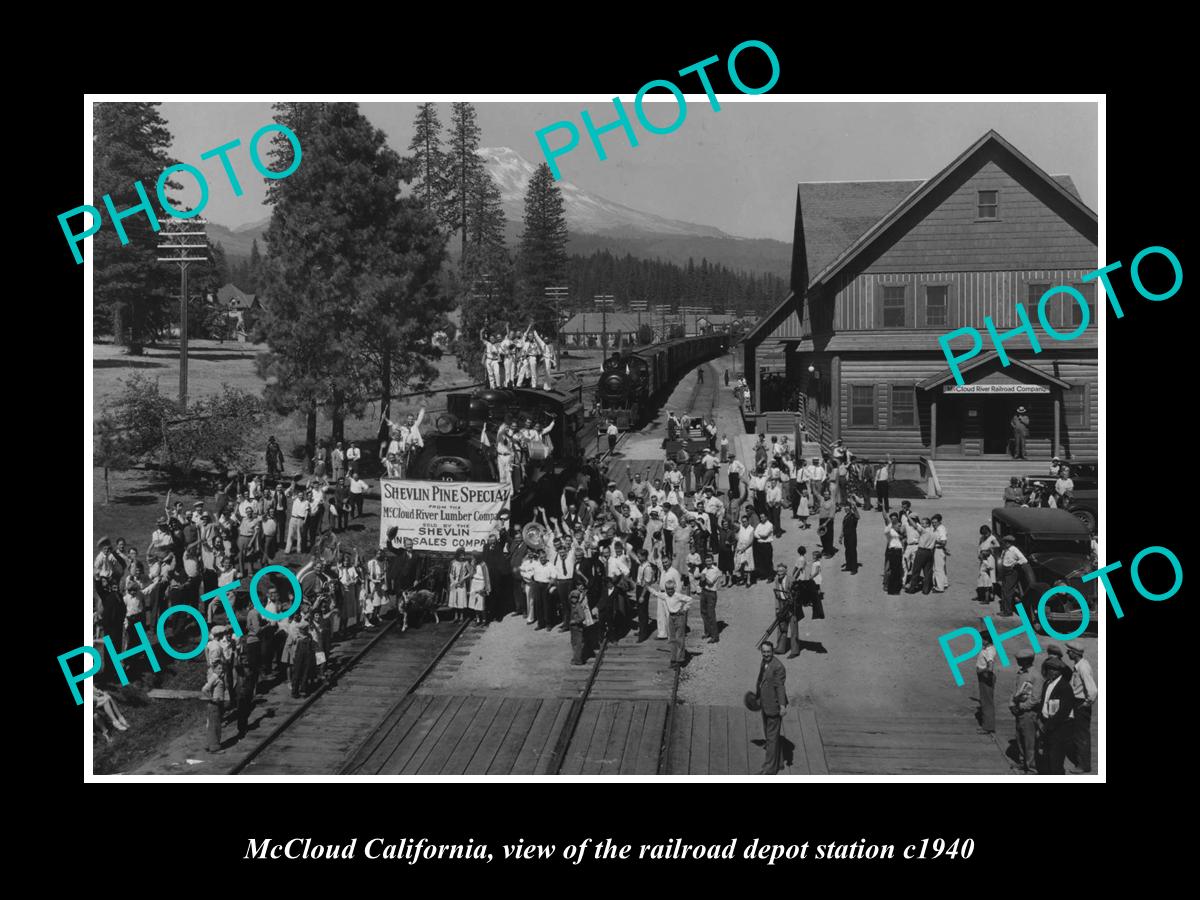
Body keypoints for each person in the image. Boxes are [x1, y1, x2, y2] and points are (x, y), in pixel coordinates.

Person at [1037, 655, 1077, 774]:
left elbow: (1063, 712)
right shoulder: (1047, 683)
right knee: (1046, 759)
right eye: (1049, 669)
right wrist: (1040, 719)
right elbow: (1044, 702)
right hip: (1046, 724)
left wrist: (1047, 726)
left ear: (1059, 672)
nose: (1050, 671)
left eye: (1053, 669)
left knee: (1056, 762)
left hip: (1059, 729)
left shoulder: (1065, 687)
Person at [756, 641, 788, 775]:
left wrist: (782, 706)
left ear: (773, 651)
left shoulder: (778, 667)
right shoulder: (764, 662)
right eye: (764, 652)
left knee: (771, 738)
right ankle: (779, 762)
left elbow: (780, 687)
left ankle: (769, 770)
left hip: (774, 707)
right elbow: (761, 680)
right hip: (765, 704)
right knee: (772, 737)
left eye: (768, 652)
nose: (766, 654)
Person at [1065, 641, 1097, 774]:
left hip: (1081, 704)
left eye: (1069, 651)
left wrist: (1086, 703)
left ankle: (1083, 765)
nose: (1067, 653)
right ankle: (1081, 762)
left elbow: (1093, 690)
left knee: (1081, 735)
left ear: (1074, 653)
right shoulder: (1078, 665)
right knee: (1077, 734)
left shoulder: (1083, 668)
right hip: (1077, 702)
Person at [1009, 648, 1041, 774]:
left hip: (1029, 712)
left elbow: (1035, 698)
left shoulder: (1036, 676)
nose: (1017, 662)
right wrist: (1011, 704)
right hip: (1019, 711)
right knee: (1020, 738)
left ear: (1026, 661)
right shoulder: (1020, 673)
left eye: (1019, 660)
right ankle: (1023, 763)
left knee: (1030, 741)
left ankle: (1032, 767)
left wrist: (1021, 707)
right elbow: (1015, 690)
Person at [202, 625, 234, 752]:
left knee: (211, 721)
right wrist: (220, 666)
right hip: (215, 696)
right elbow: (215, 661)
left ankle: (209, 742)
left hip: (212, 674)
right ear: (220, 635)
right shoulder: (216, 647)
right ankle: (214, 746)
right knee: (215, 722)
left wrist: (209, 664)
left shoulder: (210, 644)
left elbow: (206, 652)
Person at [647, 581, 692, 667]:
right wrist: (647, 587)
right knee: (672, 638)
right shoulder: (665, 595)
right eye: (668, 589)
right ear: (666, 589)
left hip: (679, 617)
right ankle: (673, 658)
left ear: (674, 588)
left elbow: (690, 599)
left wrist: (684, 609)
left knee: (679, 638)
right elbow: (656, 593)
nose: (670, 591)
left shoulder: (678, 596)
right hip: (671, 617)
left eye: (671, 589)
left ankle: (680, 659)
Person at [997, 535, 1029, 617]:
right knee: (1004, 590)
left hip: (1012, 572)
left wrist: (1015, 564)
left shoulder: (1014, 550)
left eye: (1005, 542)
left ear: (1009, 543)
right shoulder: (1005, 550)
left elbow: (1024, 560)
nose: (1004, 544)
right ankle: (1004, 609)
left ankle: (1008, 611)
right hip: (1005, 571)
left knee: (1008, 591)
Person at [976, 630, 997, 734]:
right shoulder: (988, 648)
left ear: (986, 640)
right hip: (984, 677)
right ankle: (986, 724)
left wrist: (981, 670)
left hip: (986, 677)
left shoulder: (989, 651)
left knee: (987, 702)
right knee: (985, 700)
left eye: (982, 639)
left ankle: (988, 727)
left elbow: (990, 666)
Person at [698, 555, 722, 643]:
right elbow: (701, 582)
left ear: (712, 561)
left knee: (711, 614)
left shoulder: (715, 570)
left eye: (709, 561)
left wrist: (703, 577)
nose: (708, 563)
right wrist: (702, 577)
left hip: (711, 593)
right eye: (706, 561)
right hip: (704, 592)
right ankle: (707, 631)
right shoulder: (705, 569)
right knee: (703, 612)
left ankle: (715, 636)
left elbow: (710, 582)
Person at [448, 547, 472, 624]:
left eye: (463, 555)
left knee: (461, 600)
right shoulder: (453, 562)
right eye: (461, 555)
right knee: (454, 599)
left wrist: (464, 578)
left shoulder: (466, 563)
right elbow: (451, 573)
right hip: (454, 583)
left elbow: (470, 573)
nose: (462, 557)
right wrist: (453, 582)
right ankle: (455, 617)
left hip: (462, 584)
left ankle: (461, 617)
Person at [882, 513, 904, 595]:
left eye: (895, 519)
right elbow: (886, 530)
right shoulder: (889, 530)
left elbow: (902, 537)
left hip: (899, 551)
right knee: (891, 569)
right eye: (892, 518)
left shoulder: (899, 530)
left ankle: (896, 588)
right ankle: (890, 588)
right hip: (893, 551)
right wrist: (891, 522)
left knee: (897, 570)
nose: (894, 520)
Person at [839, 501, 860, 573]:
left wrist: (855, 509)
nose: (846, 509)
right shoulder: (845, 517)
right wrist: (841, 536)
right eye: (845, 507)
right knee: (847, 551)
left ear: (850, 508)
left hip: (852, 536)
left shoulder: (853, 515)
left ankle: (854, 569)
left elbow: (858, 517)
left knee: (853, 551)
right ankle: (848, 566)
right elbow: (843, 527)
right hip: (846, 537)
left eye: (847, 507)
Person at [931, 513, 949, 592]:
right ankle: (944, 583)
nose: (934, 524)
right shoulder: (936, 528)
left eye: (935, 522)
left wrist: (935, 540)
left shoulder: (941, 529)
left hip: (938, 549)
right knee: (942, 568)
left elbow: (944, 541)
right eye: (933, 522)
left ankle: (939, 587)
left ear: (939, 522)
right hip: (937, 549)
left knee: (938, 569)